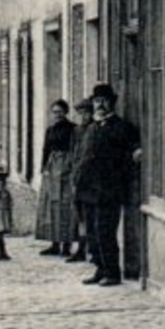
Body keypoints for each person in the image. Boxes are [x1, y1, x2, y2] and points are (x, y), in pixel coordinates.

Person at [71, 83, 141, 286]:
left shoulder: (122, 127)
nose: (100, 105)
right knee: (92, 233)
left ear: (112, 103)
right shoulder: (90, 128)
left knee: (105, 232)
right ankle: (100, 268)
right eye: (96, 101)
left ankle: (112, 272)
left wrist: (135, 153)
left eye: (104, 101)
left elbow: (132, 153)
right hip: (88, 190)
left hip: (109, 190)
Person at [35, 100, 79, 256]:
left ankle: (66, 244)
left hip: (67, 168)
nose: (57, 115)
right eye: (54, 112)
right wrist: (43, 167)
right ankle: (54, 243)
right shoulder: (50, 130)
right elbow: (45, 149)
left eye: (60, 111)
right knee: (50, 206)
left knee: (65, 206)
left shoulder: (73, 129)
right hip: (52, 168)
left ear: (66, 112)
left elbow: (75, 149)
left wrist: (72, 168)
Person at [66, 98, 97, 264]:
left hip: (91, 180)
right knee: (79, 216)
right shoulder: (77, 131)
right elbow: (74, 152)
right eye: (81, 113)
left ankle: (92, 250)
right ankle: (80, 249)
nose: (84, 116)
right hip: (77, 177)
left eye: (87, 112)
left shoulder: (95, 129)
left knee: (90, 216)